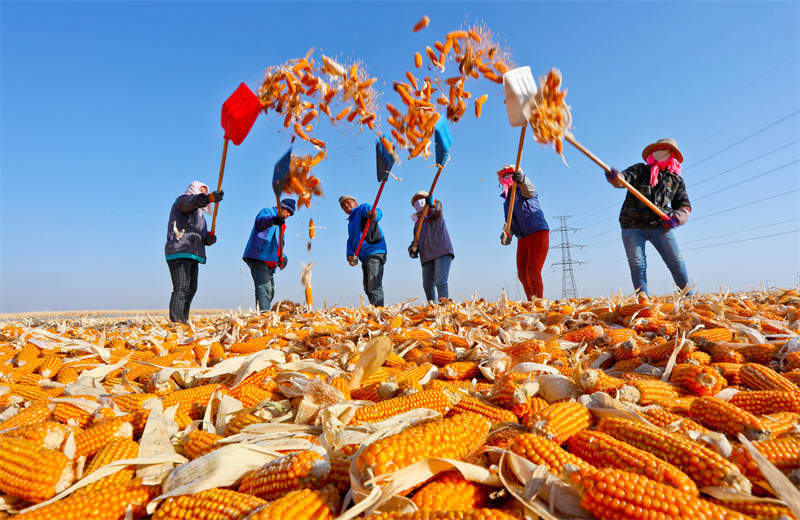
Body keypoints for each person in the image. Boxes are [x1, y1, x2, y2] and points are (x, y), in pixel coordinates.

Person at [606, 138, 691, 296]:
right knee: (638, 264)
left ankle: (688, 297)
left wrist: (677, 218)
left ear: (672, 155)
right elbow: (623, 179)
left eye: (666, 150)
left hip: (660, 226)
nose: (662, 153)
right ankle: (643, 299)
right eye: (659, 149)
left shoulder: (676, 180)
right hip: (632, 225)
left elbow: (684, 205)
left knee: (676, 262)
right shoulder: (640, 170)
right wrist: (615, 178)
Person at [164, 181, 223, 323]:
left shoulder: (200, 215)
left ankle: (183, 319)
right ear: (193, 191)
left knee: (191, 288)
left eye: (205, 193)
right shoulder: (183, 201)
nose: (203, 195)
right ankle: (176, 322)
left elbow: (200, 236)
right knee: (182, 287)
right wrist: (208, 198)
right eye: (201, 192)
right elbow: (192, 202)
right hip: (180, 250)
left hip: (192, 253)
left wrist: (208, 238)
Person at [499, 165, 550, 300]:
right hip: (522, 238)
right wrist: (506, 234)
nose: (506, 178)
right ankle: (531, 301)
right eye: (503, 176)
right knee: (522, 274)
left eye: (508, 175)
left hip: (537, 232)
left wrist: (522, 180)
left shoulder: (523, 189)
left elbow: (530, 190)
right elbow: (508, 223)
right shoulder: (506, 202)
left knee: (533, 272)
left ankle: (538, 303)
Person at [242, 198, 296, 312]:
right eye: (287, 211)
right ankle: (264, 317)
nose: (288, 215)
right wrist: (274, 220)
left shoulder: (282, 225)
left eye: (290, 214)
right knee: (264, 288)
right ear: (282, 207)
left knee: (270, 290)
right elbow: (260, 222)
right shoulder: (268, 212)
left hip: (270, 260)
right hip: (258, 255)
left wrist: (282, 257)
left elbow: (278, 244)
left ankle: (262, 311)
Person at [340, 194, 387, 307]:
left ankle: (379, 311)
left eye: (348, 202)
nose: (346, 205)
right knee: (367, 287)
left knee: (374, 284)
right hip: (364, 257)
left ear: (355, 202)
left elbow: (377, 212)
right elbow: (350, 241)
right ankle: (374, 308)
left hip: (374, 250)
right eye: (343, 205)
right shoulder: (350, 223)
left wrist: (374, 215)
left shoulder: (362, 208)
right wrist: (350, 255)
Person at [408, 191, 455, 302]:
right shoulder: (417, 224)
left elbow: (437, 209)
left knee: (440, 281)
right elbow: (416, 241)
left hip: (441, 251)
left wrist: (433, 204)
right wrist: (412, 249)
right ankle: (432, 307)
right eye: (416, 200)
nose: (418, 201)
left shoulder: (434, 213)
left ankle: (443, 307)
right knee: (427, 284)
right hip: (426, 256)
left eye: (421, 198)